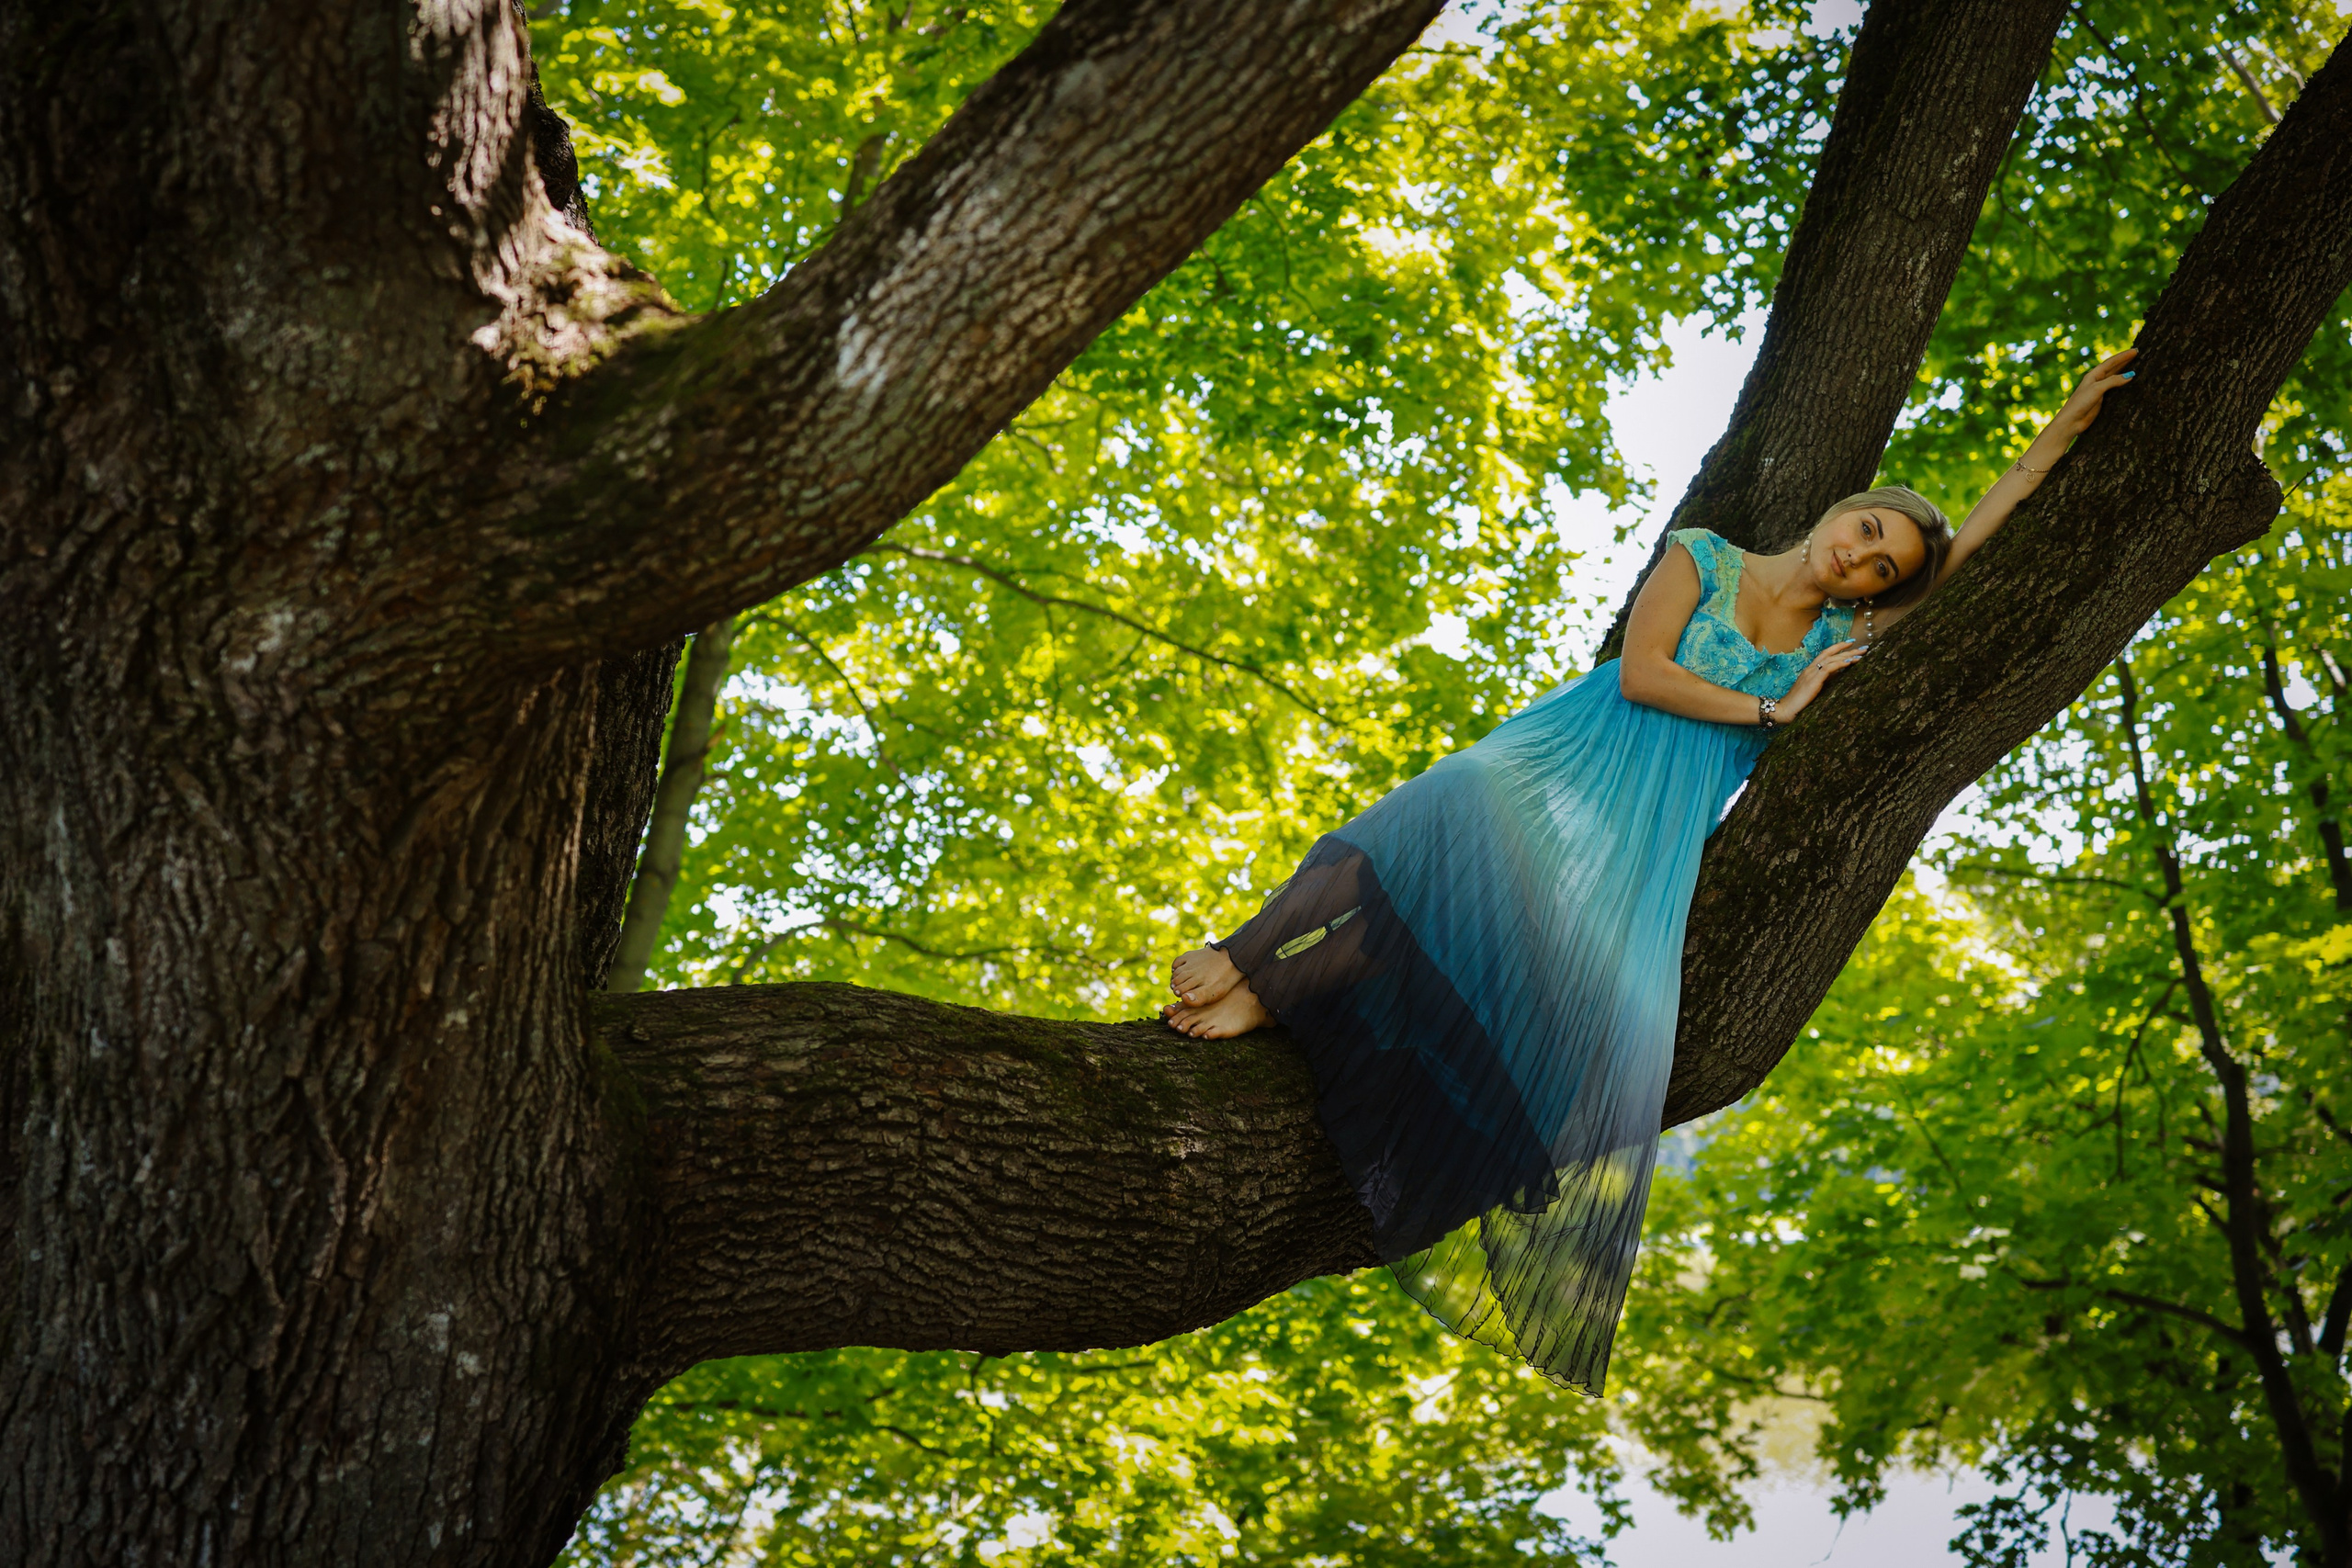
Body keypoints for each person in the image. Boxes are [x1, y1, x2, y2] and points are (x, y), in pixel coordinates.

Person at [1159, 348, 2140, 1392]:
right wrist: (1775, 708)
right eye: (1867, 533)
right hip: (1570, 752)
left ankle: (1286, 996)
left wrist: (2065, 428)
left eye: (1886, 567)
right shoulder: (1707, 556)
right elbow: (1642, 672)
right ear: (1842, 512)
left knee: (1535, 966)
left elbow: (1984, 538)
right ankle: (1251, 959)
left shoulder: (1844, 637)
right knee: (1440, 812)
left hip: (1652, 823)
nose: (1864, 562)